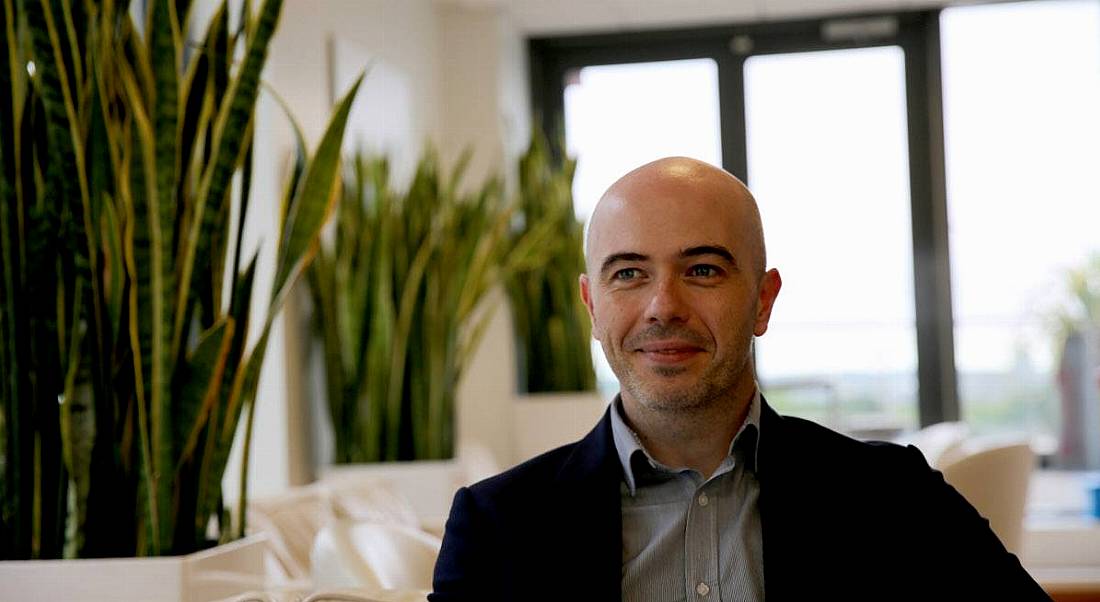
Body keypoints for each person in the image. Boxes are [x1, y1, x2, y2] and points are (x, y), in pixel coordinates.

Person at [429, 157, 1049, 601]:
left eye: (701, 269)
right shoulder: (497, 527)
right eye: (628, 274)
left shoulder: (894, 498)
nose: (662, 306)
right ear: (592, 307)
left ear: (762, 300)